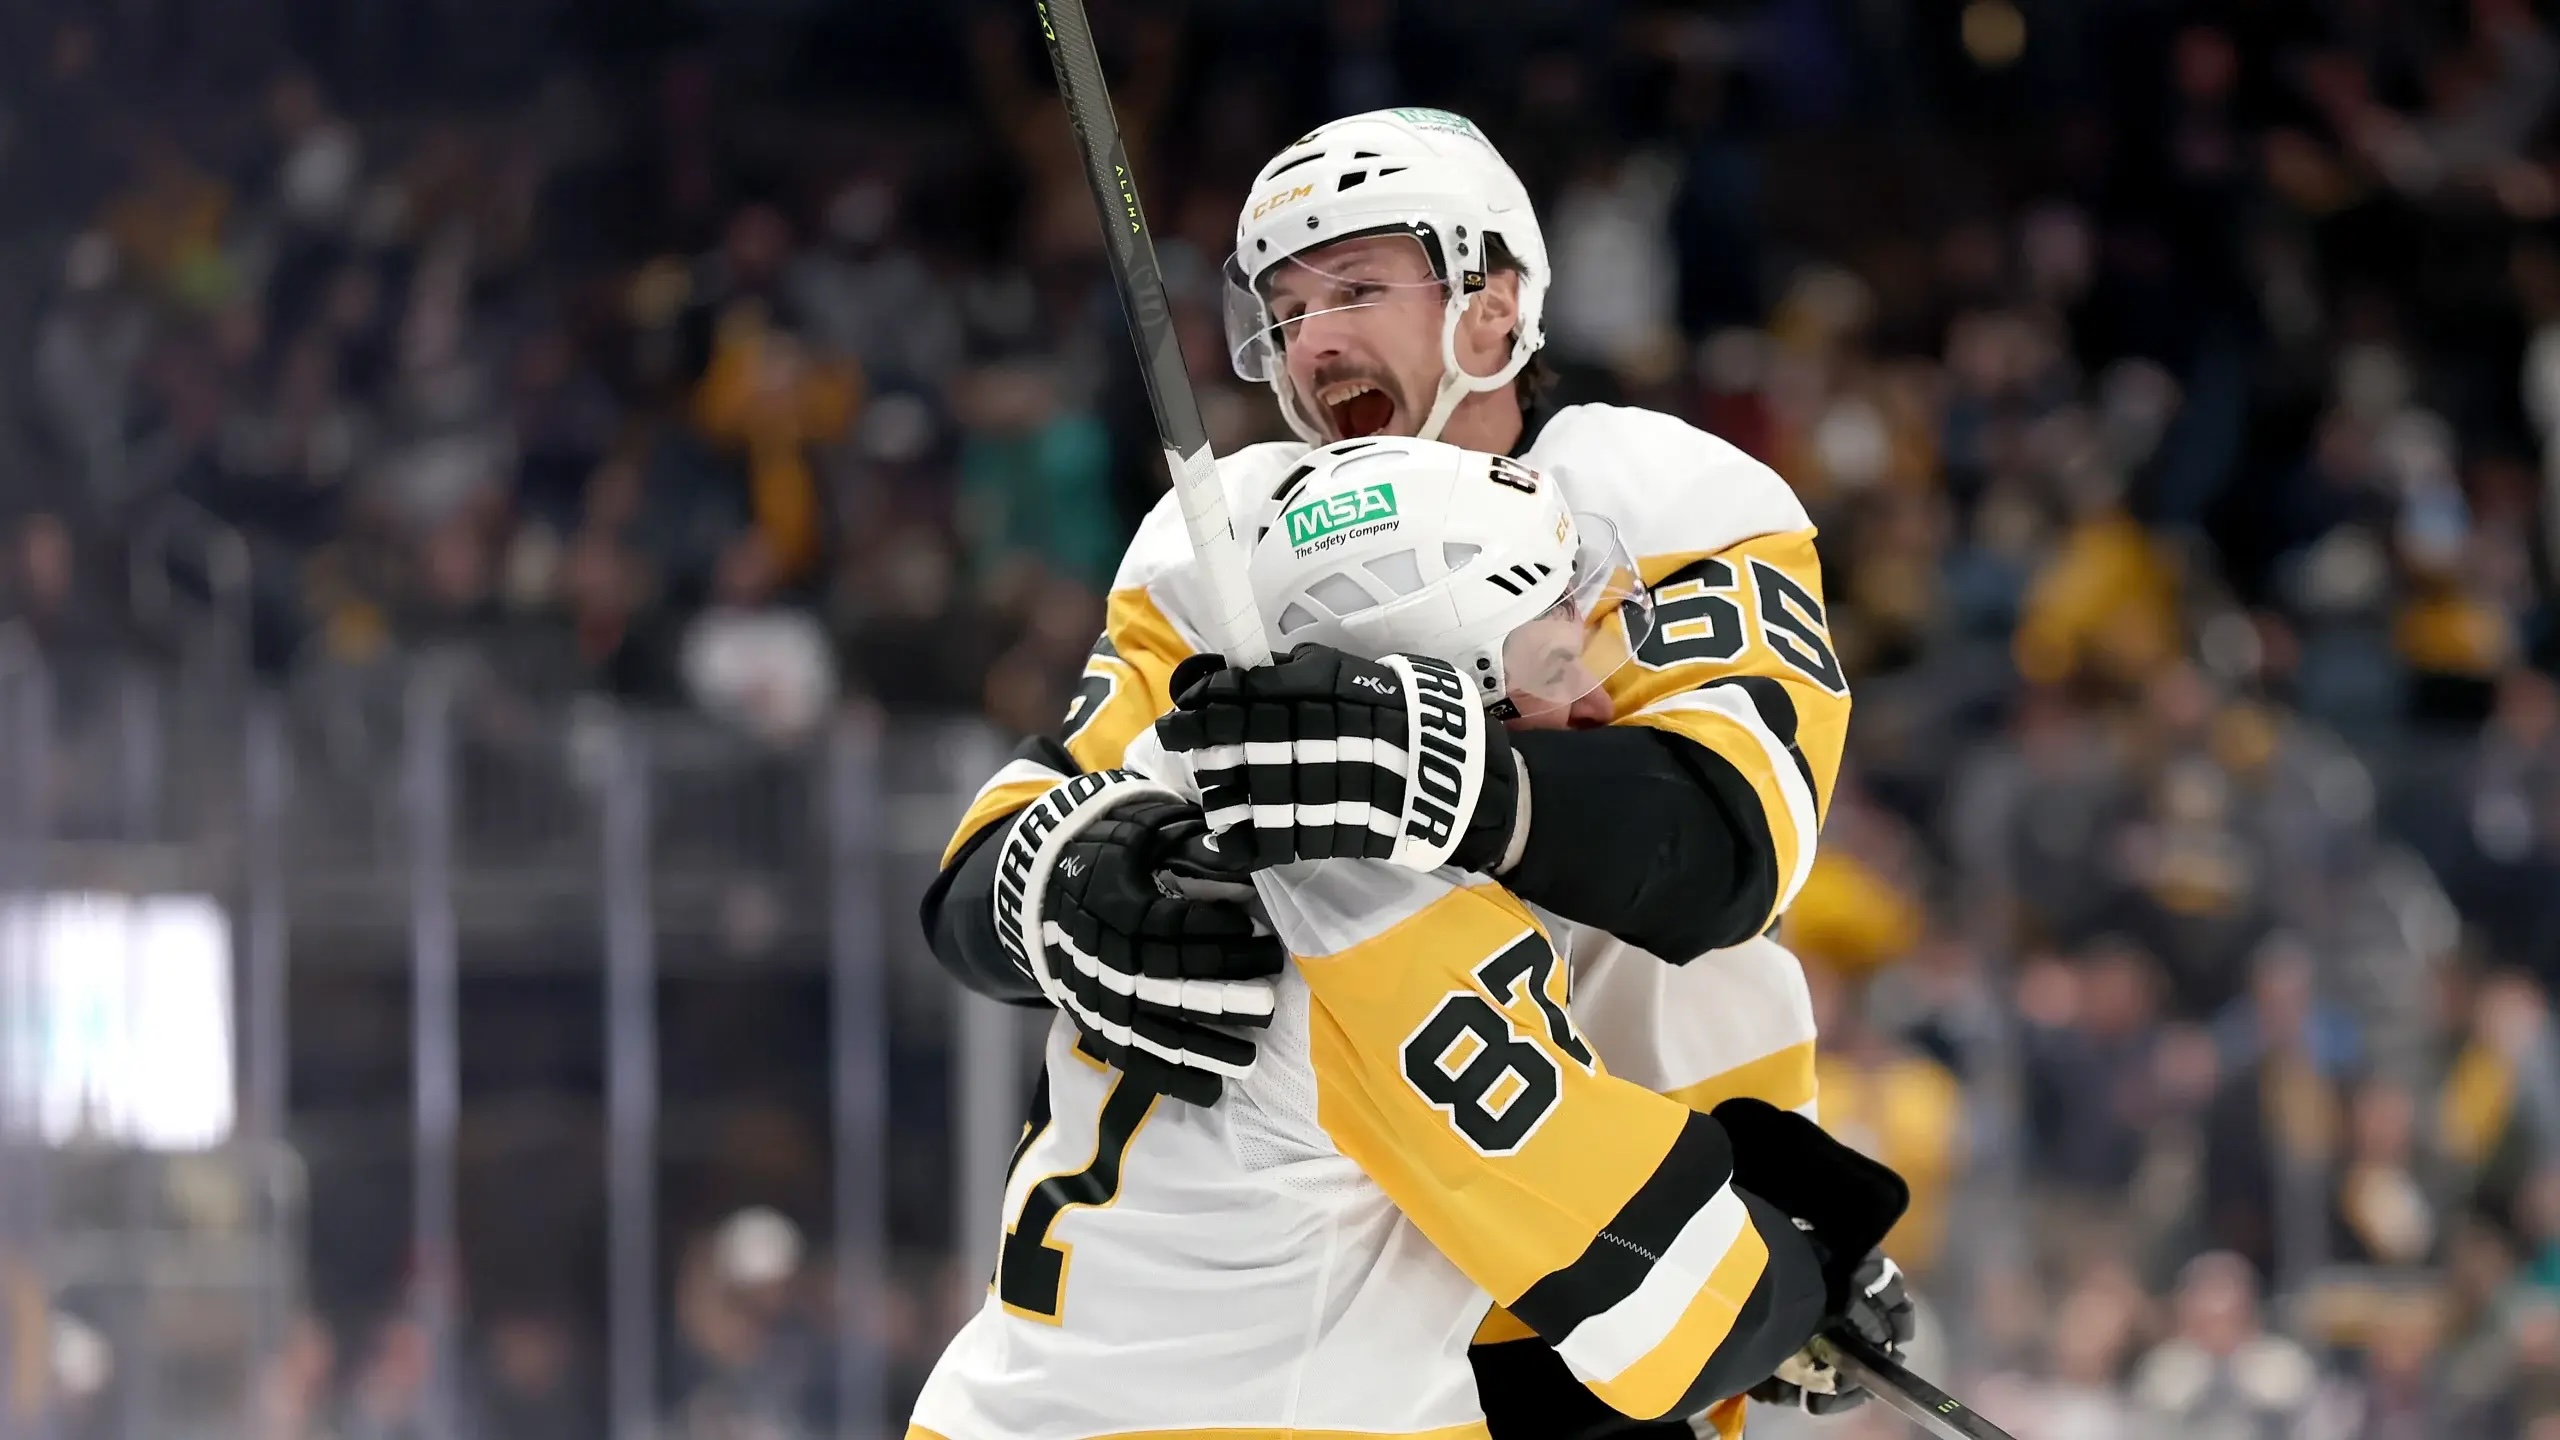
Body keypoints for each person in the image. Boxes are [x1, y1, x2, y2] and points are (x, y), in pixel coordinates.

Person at [920, 110, 1868, 1434]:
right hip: (1472, 1244)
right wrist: (1074, 886)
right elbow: (993, 859)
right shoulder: (1231, 549)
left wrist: (1450, 775)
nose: (1314, 342)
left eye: (1359, 288)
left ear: (1492, 312)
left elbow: (1728, 857)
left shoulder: (1660, 498)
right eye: (1287, 308)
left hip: (1553, 1229)